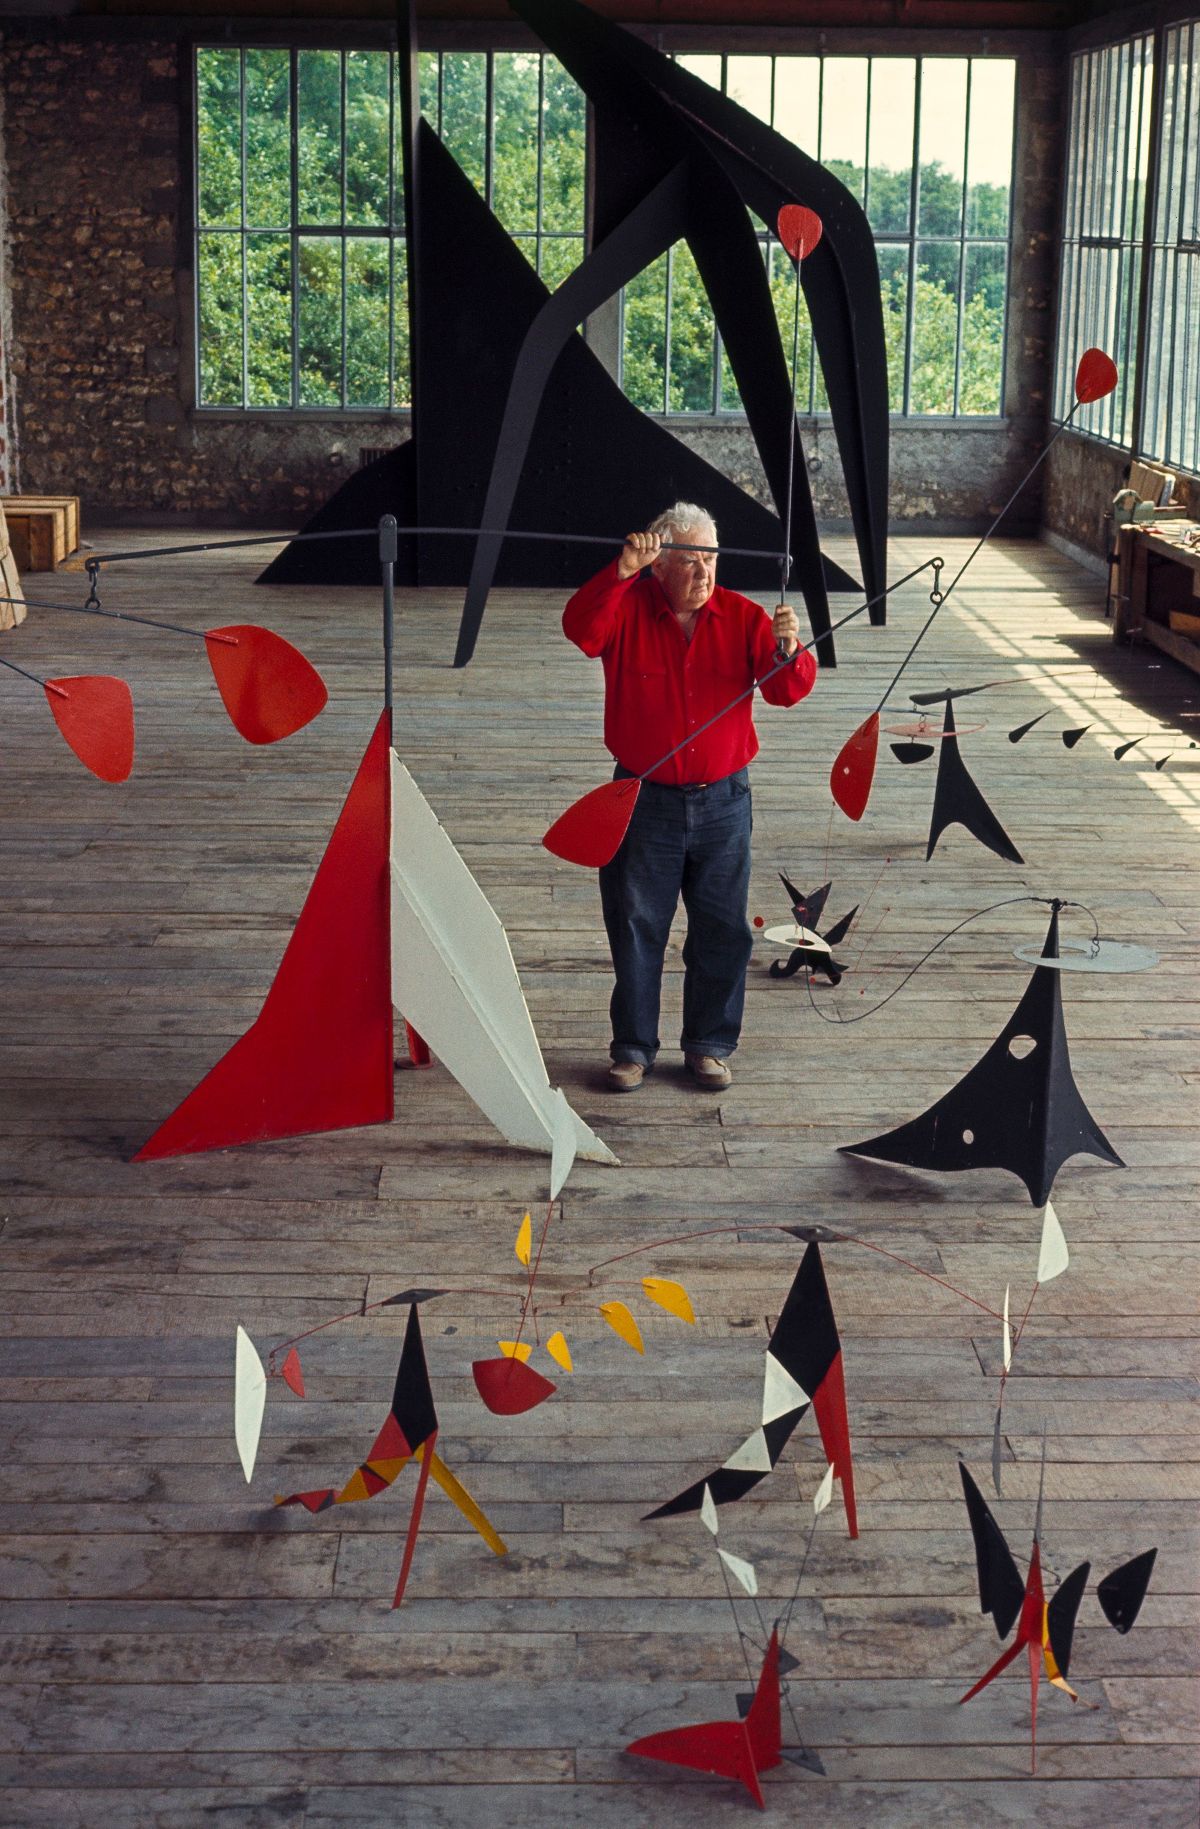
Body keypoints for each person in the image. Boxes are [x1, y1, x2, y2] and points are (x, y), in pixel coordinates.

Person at [562, 501, 817, 1092]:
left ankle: (709, 1045)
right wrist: (620, 571)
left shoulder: (746, 617)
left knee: (723, 929)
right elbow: (580, 629)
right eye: (691, 559)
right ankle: (633, 1048)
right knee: (634, 924)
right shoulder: (625, 608)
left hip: (725, 802)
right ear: (659, 564)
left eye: (711, 557)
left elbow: (786, 693)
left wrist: (790, 649)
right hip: (643, 799)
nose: (705, 571)